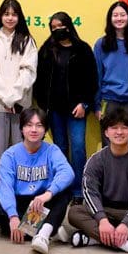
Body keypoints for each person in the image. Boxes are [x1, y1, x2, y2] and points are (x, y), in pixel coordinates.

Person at [66, 107, 128, 254]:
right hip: (105, 210)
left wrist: (126, 223)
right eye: (114, 128)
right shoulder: (96, 160)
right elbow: (90, 193)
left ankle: (94, 239)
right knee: (74, 212)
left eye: (124, 128)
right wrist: (102, 220)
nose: (119, 132)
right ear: (106, 132)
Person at [0, 108, 74, 254]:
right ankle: (50, 229)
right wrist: (12, 216)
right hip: (20, 202)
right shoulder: (10, 154)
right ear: (21, 128)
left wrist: (48, 194)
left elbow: (67, 173)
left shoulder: (52, 150)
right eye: (29, 125)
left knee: (64, 193)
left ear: (45, 130)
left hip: (41, 203)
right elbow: (5, 186)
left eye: (39, 125)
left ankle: (42, 234)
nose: (34, 130)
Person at [34, 12, 97, 202]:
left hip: (77, 110)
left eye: (60, 26)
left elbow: (92, 80)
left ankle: (79, 190)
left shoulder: (83, 49)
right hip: (54, 110)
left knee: (78, 148)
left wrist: (84, 104)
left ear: (68, 26)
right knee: (60, 149)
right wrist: (43, 106)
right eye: (53, 27)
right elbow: (39, 81)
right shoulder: (46, 50)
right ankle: (62, 189)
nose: (56, 30)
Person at [0, 0, 38, 188]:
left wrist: (13, 97)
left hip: (22, 105)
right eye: (6, 14)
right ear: (0, 16)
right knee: (0, 150)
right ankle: (1, 191)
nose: (10, 18)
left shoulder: (27, 41)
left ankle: (22, 190)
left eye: (14, 14)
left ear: (19, 17)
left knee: (22, 149)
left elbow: (28, 71)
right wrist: (6, 98)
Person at [93, 1, 128, 146]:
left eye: (122, 15)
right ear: (110, 19)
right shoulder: (101, 44)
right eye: (115, 15)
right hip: (108, 100)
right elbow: (96, 76)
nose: (119, 18)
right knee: (108, 143)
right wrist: (97, 106)